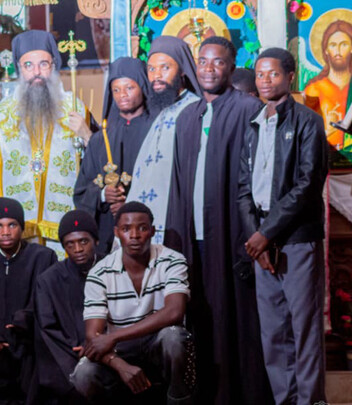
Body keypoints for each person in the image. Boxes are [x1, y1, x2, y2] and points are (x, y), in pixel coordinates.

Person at [166, 37, 269, 405]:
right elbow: (178, 183)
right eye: (203, 61)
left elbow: (260, 178)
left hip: (233, 235)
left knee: (236, 320)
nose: (209, 69)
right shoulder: (187, 117)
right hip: (193, 236)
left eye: (218, 62)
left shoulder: (248, 109)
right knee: (200, 317)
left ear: (231, 66)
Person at [237, 48, 328, 405]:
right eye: (260, 74)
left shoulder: (307, 121)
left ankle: (310, 400)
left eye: (273, 74)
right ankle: (284, 400)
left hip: (295, 237)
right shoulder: (253, 124)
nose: (264, 81)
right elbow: (244, 188)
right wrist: (255, 237)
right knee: (274, 331)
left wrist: (267, 233)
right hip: (261, 239)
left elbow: (307, 184)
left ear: (290, 77)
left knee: (304, 328)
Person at [0, 30, 94, 256]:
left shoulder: (76, 110)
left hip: (65, 234)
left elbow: (94, 169)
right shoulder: (0, 117)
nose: (36, 72)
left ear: (54, 65)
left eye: (43, 64)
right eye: (28, 65)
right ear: (19, 69)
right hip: (17, 236)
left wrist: (87, 136)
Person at [70, 202, 195, 404]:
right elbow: (94, 337)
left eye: (142, 228)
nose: (134, 235)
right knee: (83, 373)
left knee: (174, 337)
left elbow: (175, 311)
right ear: (117, 232)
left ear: (153, 231)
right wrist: (120, 365)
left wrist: (114, 336)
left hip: (157, 343)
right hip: (121, 351)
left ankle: (179, 399)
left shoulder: (171, 260)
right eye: (126, 229)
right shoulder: (99, 273)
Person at [0, 197, 57, 403]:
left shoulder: (43, 258)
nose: (5, 232)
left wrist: (25, 320)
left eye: (12, 225)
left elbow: (49, 301)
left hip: (29, 346)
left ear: (22, 228)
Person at [124, 36, 202, 244]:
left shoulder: (195, 110)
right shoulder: (162, 111)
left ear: (182, 70)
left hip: (177, 218)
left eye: (165, 68)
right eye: (151, 69)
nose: (156, 76)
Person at [74, 57, 154, 254]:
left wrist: (130, 204)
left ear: (143, 87)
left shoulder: (157, 131)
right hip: (109, 235)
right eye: (116, 90)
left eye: (129, 88)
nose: (122, 95)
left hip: (150, 232)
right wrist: (103, 194)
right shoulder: (100, 139)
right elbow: (81, 192)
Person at [34, 210, 102, 403]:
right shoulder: (48, 281)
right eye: (70, 244)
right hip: (69, 357)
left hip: (113, 349)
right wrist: (80, 349)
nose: (77, 249)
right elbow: (48, 329)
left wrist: (100, 343)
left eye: (84, 241)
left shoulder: (113, 268)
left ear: (96, 241)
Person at [304, 20, 352, 150]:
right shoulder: (315, 89)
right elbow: (306, 128)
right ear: (326, 50)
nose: (338, 51)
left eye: (344, 44)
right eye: (333, 45)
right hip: (326, 153)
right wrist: (329, 131)